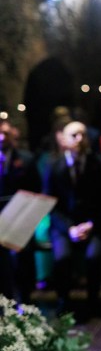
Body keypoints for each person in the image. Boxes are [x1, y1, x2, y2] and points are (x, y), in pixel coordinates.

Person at [43, 120, 101, 318]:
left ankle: (93, 300)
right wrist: (69, 228)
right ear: (63, 139)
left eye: (83, 135)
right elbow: (51, 205)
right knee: (62, 257)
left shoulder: (99, 164)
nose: (80, 139)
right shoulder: (54, 166)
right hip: (64, 225)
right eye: (74, 135)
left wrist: (91, 225)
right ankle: (64, 301)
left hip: (92, 224)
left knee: (94, 256)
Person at [0, 119, 42, 304]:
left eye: (6, 134)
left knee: (21, 260)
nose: (2, 138)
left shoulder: (26, 159)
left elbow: (36, 189)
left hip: (19, 220)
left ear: (13, 136)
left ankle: (24, 300)